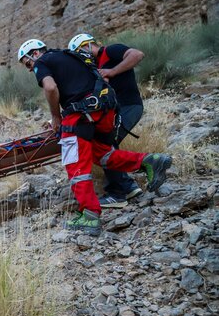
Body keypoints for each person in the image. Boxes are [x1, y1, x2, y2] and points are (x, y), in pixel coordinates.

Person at [17, 38, 172, 235]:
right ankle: (151, 161)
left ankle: (89, 215)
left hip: (81, 114)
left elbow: (50, 87)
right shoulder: (70, 55)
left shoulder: (42, 62)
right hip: (106, 110)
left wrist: (56, 116)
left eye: (28, 63)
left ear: (35, 53)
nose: (30, 69)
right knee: (101, 154)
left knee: (75, 163)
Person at [69, 33, 145, 208]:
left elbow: (137, 55)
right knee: (104, 142)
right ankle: (127, 187)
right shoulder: (95, 67)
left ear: (87, 46)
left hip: (130, 105)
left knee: (107, 143)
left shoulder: (111, 51)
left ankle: (119, 193)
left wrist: (112, 71)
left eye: (80, 53)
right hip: (117, 110)